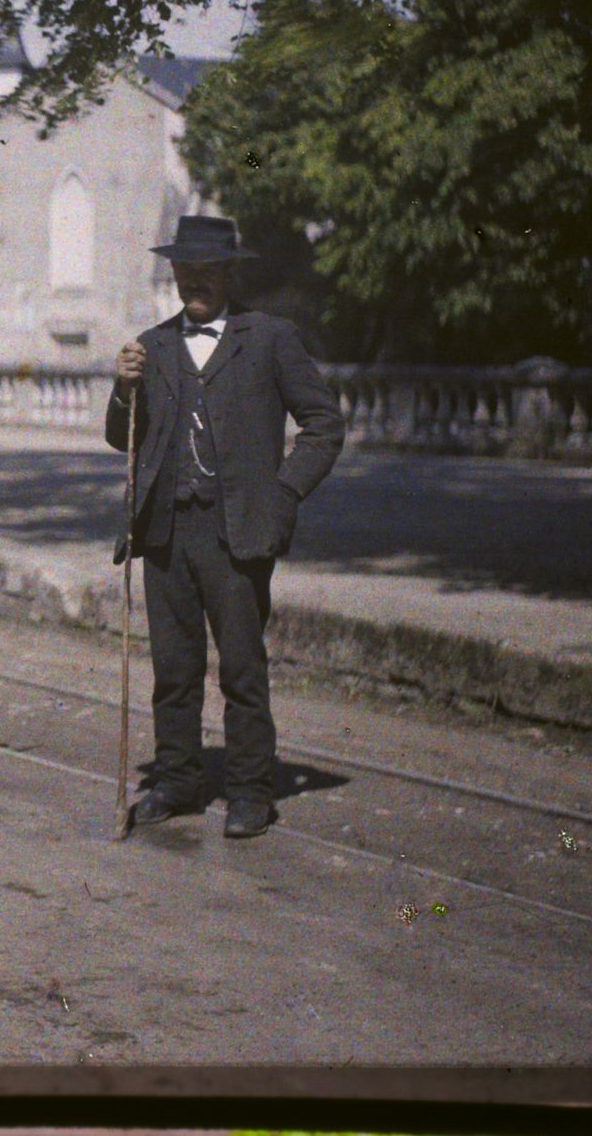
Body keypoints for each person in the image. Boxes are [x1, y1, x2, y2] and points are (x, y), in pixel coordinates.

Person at [105, 214, 344, 839]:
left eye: (208, 269)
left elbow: (324, 425)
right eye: (185, 269)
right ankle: (178, 780)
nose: (195, 280)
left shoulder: (269, 339)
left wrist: (283, 493)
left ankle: (250, 791)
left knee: (241, 668)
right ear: (174, 272)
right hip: (164, 532)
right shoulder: (151, 346)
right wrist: (123, 389)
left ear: (229, 274)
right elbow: (120, 436)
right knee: (173, 670)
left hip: (237, 531)